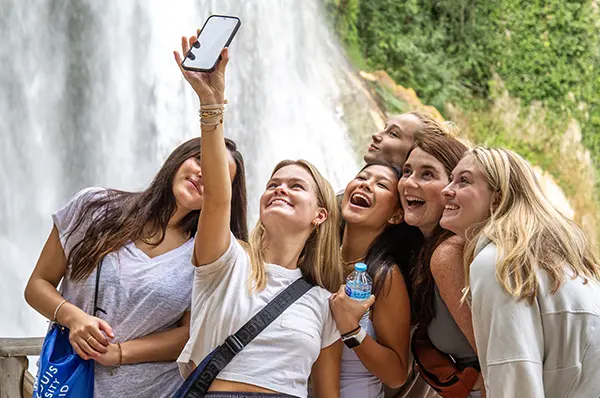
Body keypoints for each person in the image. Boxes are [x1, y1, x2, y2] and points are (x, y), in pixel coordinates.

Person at [174, 35, 343, 398]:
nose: (280, 189)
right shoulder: (225, 262)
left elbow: (328, 393)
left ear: (320, 215)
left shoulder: (323, 301)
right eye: (273, 184)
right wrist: (211, 104)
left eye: (296, 186)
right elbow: (218, 198)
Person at [24, 135, 248, 398]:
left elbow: (192, 334)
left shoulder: (207, 256)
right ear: (180, 158)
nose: (203, 175)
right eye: (200, 160)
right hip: (68, 385)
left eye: (218, 175)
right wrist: (74, 318)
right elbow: (37, 285)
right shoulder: (95, 207)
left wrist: (119, 353)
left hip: (154, 391)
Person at [441, 147, 600, 397]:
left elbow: (514, 380)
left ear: (498, 197)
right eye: (451, 178)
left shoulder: (500, 263)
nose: (446, 189)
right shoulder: (551, 260)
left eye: (464, 181)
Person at [398, 134, 484, 397]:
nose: (409, 182)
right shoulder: (429, 250)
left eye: (427, 174)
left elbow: (494, 358)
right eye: (406, 171)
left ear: (451, 189)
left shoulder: (448, 253)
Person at [330, 161, 422, 398]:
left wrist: (351, 330)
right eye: (362, 177)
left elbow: (396, 374)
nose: (366, 185)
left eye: (380, 184)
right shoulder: (319, 259)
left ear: (396, 215)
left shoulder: (385, 276)